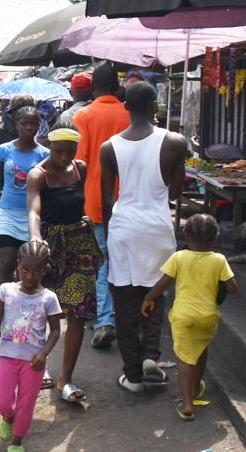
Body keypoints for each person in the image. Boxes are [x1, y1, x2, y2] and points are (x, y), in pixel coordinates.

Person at [99, 81, 188, 393]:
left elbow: (107, 201)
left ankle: (133, 374)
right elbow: (175, 191)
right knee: (155, 295)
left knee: (124, 302)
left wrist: (109, 240)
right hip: (157, 230)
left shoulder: (109, 147)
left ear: (126, 107)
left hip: (124, 229)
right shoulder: (175, 142)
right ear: (155, 106)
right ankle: (151, 356)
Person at [26, 120, 101, 403]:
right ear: (49, 146)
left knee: (78, 312)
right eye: (59, 151)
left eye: (70, 151)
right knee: (41, 310)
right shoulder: (38, 174)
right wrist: (36, 238)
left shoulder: (80, 168)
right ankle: (40, 363)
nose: (64, 158)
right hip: (48, 246)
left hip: (79, 244)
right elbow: (33, 210)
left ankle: (66, 380)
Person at [141, 214, 239, 420]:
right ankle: (195, 389)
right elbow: (232, 288)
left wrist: (148, 299)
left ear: (186, 237)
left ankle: (186, 403)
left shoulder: (179, 257)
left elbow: (163, 283)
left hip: (183, 317)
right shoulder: (219, 260)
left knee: (184, 359)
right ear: (214, 239)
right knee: (201, 350)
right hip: (207, 317)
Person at [0, 241, 62, 452]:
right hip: (7, 355)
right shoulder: (6, 291)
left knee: (26, 403)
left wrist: (44, 354)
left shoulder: (49, 298)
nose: (30, 276)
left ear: (45, 270)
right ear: (18, 265)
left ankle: (17, 442)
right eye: (25, 269)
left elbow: (56, 331)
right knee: (2, 400)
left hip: (33, 362)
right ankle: (8, 416)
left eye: (37, 271)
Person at [72, 64, 129, 350]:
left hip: (95, 202)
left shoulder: (83, 115)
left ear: (94, 88)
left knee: (103, 261)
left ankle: (105, 320)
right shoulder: (131, 114)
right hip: (129, 200)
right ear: (117, 86)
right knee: (124, 260)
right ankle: (124, 319)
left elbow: (78, 163)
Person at [0, 106, 50, 287]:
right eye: (24, 123)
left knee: (28, 267)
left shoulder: (44, 155)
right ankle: (3, 307)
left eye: (33, 123)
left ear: (39, 125)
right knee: (6, 263)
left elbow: (47, 187)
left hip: (33, 217)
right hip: (8, 213)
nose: (29, 128)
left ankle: (24, 307)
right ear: (17, 125)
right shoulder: (4, 150)